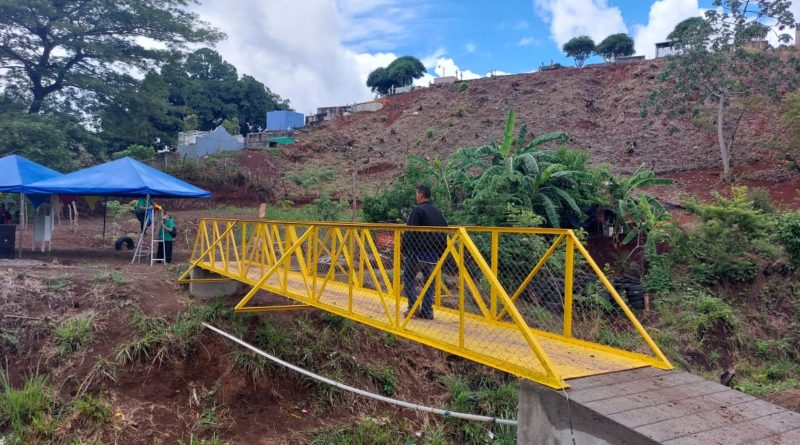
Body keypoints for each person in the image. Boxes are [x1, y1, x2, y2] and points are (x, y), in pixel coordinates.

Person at [402, 184, 448, 320]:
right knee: (429, 282)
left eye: (417, 194)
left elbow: (409, 232)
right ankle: (427, 311)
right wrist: (441, 253)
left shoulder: (417, 210)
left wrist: (404, 250)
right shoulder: (438, 212)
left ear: (421, 195)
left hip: (417, 254)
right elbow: (445, 233)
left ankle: (413, 306)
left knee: (408, 277)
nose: (416, 196)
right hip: (433, 256)